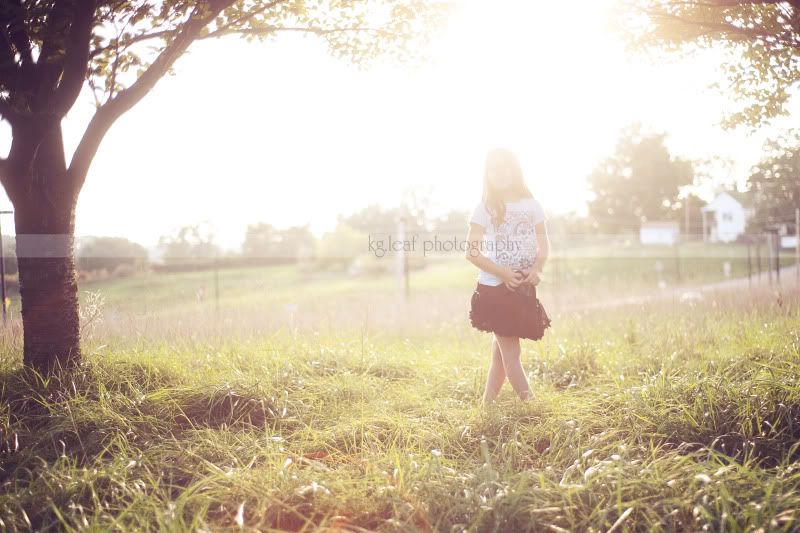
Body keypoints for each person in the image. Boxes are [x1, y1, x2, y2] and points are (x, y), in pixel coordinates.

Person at [464, 147, 551, 405]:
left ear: (515, 170)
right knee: (511, 355)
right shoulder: (484, 209)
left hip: (522, 288)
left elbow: (543, 244)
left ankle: (486, 406)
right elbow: (472, 253)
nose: (499, 173)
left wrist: (536, 269)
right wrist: (502, 273)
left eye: (505, 167)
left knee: (501, 355)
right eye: (493, 168)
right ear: (487, 174)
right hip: (495, 291)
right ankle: (533, 407)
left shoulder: (532, 206)